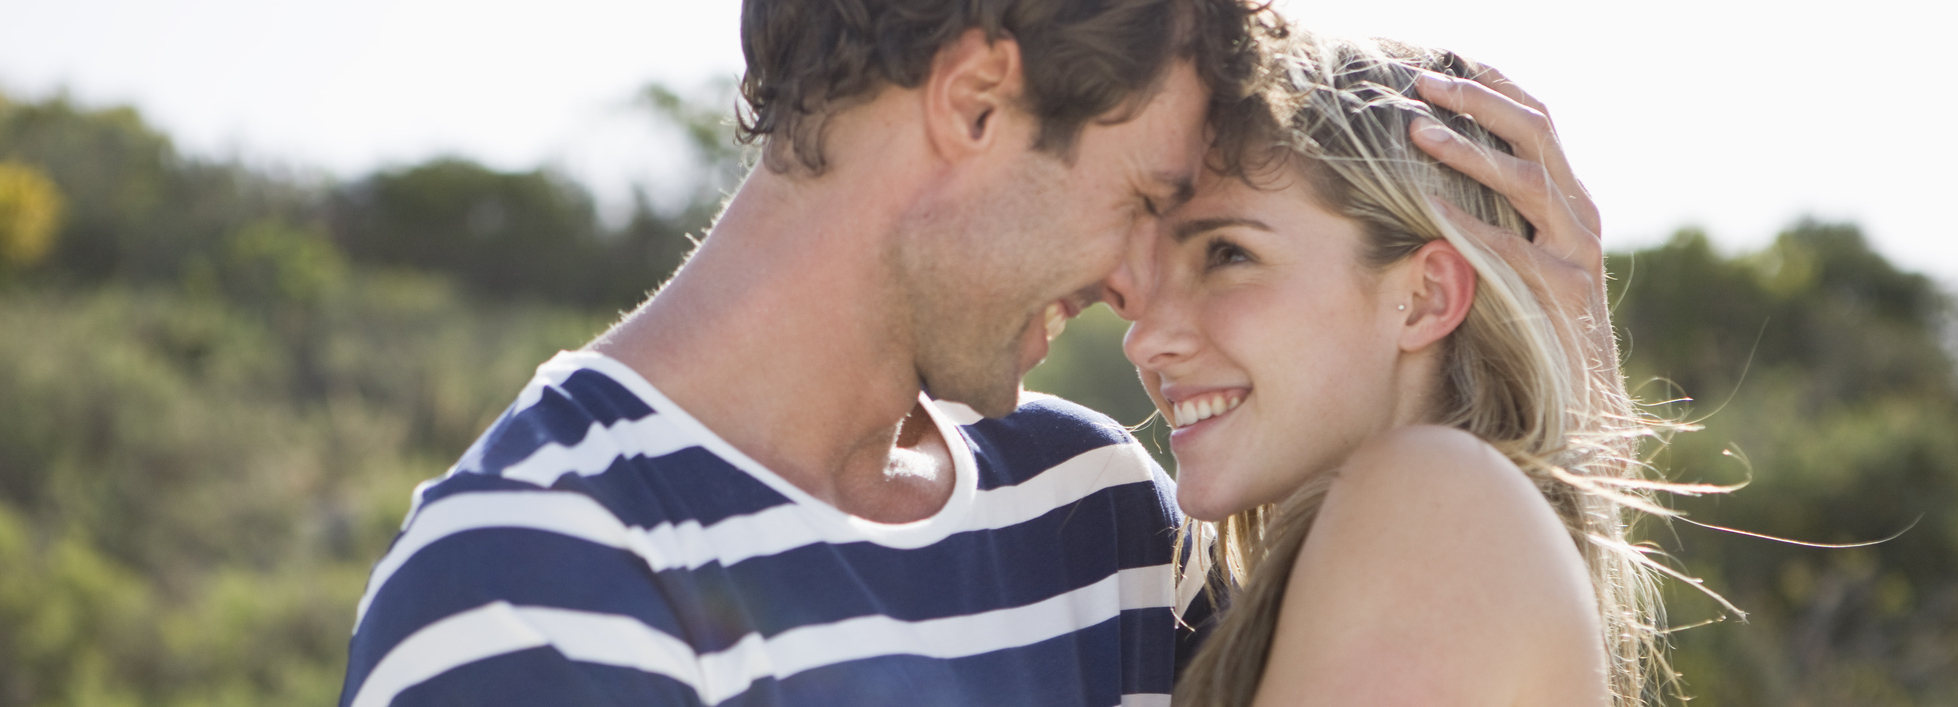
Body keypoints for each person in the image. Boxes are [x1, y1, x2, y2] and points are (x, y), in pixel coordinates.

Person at [336, 1, 1275, 705]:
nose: (1134, 287)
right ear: (976, 103)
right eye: (1142, 200)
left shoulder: (1097, 509)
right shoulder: (523, 584)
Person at [1110, 31, 1679, 706]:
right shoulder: (1453, 526)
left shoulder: (1433, 496)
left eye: (1226, 254)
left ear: (1428, 296)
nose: (1143, 340)